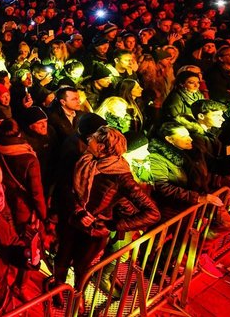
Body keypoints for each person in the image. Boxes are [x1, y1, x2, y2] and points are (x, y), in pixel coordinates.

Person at [52, 126, 159, 312]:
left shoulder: (121, 175)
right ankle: (58, 288)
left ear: (103, 147)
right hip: (72, 221)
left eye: (93, 138)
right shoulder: (85, 160)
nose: (88, 140)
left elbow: (152, 212)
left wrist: (112, 224)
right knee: (62, 256)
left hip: (94, 231)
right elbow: (68, 187)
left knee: (82, 266)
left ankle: (78, 294)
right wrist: (78, 210)